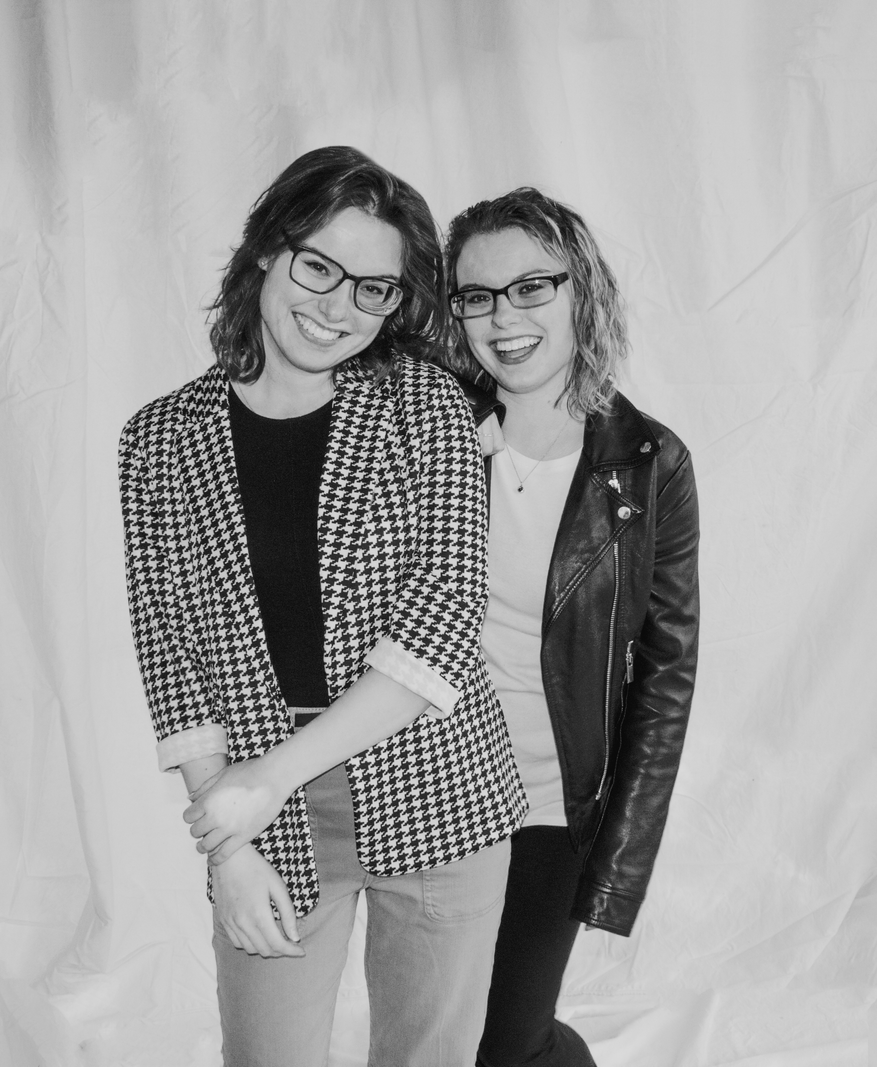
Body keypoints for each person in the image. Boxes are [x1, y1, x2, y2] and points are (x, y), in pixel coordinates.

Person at [118, 146, 527, 1067]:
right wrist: (230, 845)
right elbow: (171, 657)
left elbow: (443, 617)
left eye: (373, 288)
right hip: (263, 815)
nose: (338, 307)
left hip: (439, 789)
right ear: (269, 249)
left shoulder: (426, 406)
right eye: (319, 268)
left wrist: (270, 776)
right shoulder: (158, 440)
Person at [440, 188, 700, 1067]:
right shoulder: (431, 431)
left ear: (580, 289)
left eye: (530, 287)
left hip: (553, 802)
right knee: (441, 1033)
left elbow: (666, 673)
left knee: (508, 1040)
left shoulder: (648, 463)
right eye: (477, 295)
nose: (503, 317)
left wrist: (619, 859)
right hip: (433, 790)